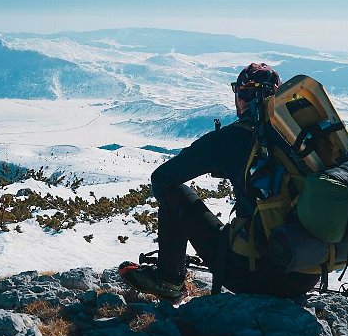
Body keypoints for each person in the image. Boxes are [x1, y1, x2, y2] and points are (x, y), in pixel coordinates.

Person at [118, 62, 320, 302]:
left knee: (175, 193)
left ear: (242, 96)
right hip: (306, 274)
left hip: (251, 275)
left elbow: (163, 178)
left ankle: (168, 279)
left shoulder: (232, 138)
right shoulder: (302, 137)